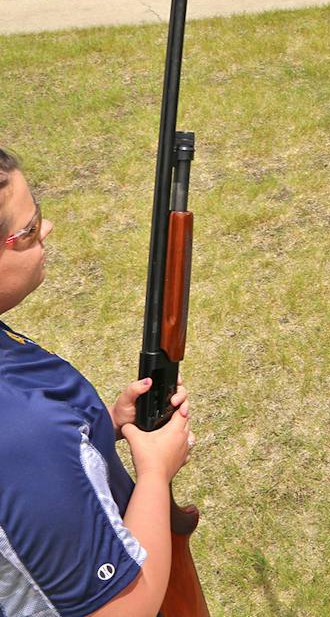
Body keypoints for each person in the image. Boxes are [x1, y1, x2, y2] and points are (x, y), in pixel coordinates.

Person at [0, 146, 194, 615]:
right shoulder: (25, 431)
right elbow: (122, 610)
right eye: (27, 229)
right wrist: (154, 473)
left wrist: (94, 427)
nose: (45, 228)